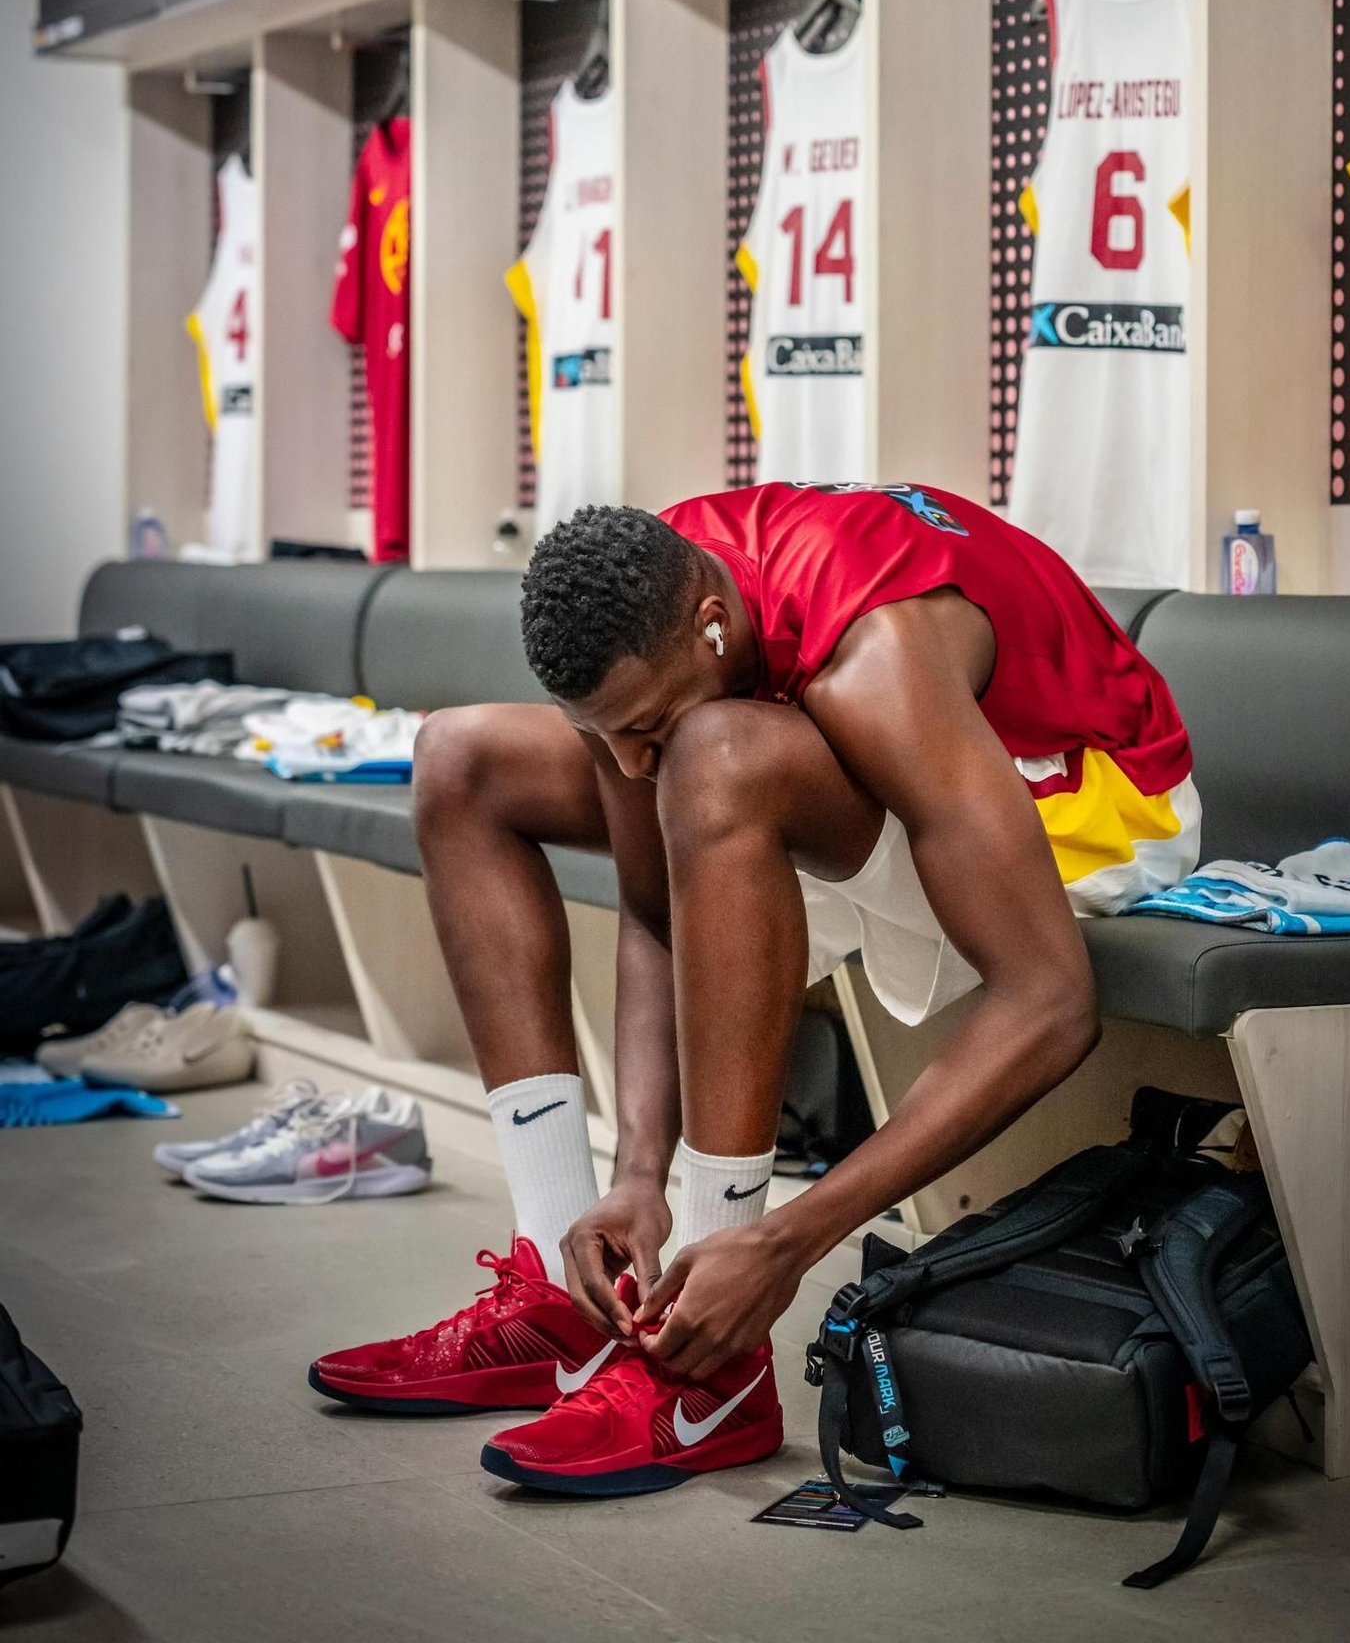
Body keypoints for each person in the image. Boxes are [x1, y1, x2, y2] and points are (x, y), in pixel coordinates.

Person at [310, 479, 1199, 1497]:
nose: (624, 763)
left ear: (715, 627)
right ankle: (565, 1293)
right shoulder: (655, 599)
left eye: (637, 723)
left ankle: (712, 1365)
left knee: (715, 755)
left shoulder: (882, 652)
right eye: (606, 735)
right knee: (459, 756)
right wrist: (634, 1175)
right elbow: (653, 912)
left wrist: (784, 1239)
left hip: (1085, 800)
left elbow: (1049, 1002)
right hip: (839, 766)